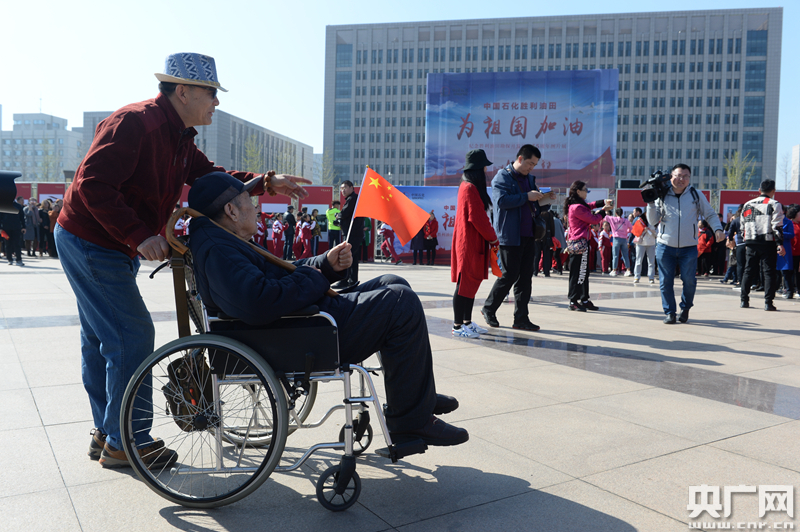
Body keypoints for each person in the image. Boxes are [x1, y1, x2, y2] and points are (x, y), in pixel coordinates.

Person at [54, 53, 311, 469]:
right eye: (212, 93)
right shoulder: (135, 123)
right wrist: (139, 236)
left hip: (109, 242)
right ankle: (128, 442)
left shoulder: (180, 137)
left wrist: (264, 181)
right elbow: (92, 185)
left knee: (101, 338)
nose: (217, 102)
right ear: (183, 90)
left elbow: (214, 180)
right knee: (131, 335)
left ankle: (108, 430)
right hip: (90, 238)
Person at [186, 172, 468, 447]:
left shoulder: (225, 240)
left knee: (393, 281)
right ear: (231, 210)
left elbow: (281, 272)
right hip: (299, 334)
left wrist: (324, 264)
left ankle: (417, 399)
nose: (256, 207)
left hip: (299, 323)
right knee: (399, 303)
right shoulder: (220, 248)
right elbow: (260, 300)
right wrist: (317, 275)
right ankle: (410, 421)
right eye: (250, 200)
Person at [480, 144, 555, 331]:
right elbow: (501, 201)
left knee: (525, 278)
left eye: (535, 164)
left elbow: (533, 205)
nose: (532, 167)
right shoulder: (502, 177)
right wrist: (526, 196)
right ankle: (489, 308)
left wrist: (544, 200)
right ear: (520, 158)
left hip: (529, 234)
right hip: (510, 235)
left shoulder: (530, 179)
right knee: (509, 274)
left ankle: (521, 318)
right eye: (530, 163)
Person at [646, 164, 724, 324]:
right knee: (665, 281)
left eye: (685, 176)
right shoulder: (663, 194)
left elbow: (709, 213)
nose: (681, 179)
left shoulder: (696, 195)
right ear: (670, 176)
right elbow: (653, 221)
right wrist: (651, 203)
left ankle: (685, 308)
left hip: (688, 247)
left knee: (689, 280)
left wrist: (718, 229)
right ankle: (670, 312)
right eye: (678, 175)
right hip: (665, 246)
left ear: (689, 178)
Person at [450, 149, 498, 338]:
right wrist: (493, 238)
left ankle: (467, 322)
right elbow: (478, 218)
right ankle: (457, 325)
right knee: (463, 285)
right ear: (478, 169)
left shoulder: (467, 186)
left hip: (471, 242)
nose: (486, 170)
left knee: (470, 284)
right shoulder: (469, 188)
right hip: (468, 244)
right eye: (485, 167)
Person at [564, 181, 612, 311]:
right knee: (578, 273)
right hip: (579, 243)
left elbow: (589, 206)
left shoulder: (578, 205)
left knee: (583, 273)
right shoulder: (576, 207)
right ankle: (573, 300)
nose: (587, 192)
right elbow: (594, 219)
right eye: (585, 190)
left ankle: (584, 298)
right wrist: (603, 211)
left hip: (581, 243)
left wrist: (603, 202)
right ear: (578, 192)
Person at [739, 180, 786, 311]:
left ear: (759, 190)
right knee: (769, 272)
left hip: (751, 241)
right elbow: (777, 226)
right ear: (773, 191)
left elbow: (742, 225)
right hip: (768, 241)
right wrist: (779, 244)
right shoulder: (774, 204)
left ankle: (744, 300)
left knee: (748, 271)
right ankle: (768, 303)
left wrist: (745, 239)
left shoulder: (747, 204)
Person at [333, 180, 363, 288]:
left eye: (345, 187)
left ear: (351, 187)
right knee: (352, 258)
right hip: (353, 233)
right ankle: (352, 281)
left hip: (352, 234)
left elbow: (343, 214)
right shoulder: (353, 199)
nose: (343, 190)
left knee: (346, 256)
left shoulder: (352, 199)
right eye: (341, 188)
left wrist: (338, 215)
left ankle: (345, 280)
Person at [605, 207, 632, 276]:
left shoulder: (612, 219)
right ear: (622, 213)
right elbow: (631, 229)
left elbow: (605, 216)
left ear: (616, 213)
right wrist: (626, 232)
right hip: (624, 239)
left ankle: (614, 270)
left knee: (615, 255)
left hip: (616, 238)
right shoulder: (626, 221)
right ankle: (628, 270)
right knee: (625, 255)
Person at [633, 212, 657, 284]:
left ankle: (651, 277)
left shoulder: (654, 221)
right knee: (638, 260)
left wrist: (651, 231)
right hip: (641, 243)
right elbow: (635, 231)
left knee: (651, 262)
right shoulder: (640, 220)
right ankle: (637, 276)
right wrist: (643, 230)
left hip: (651, 243)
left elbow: (658, 233)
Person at [0, 196, 25, 265]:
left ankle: (19, 260)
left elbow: (22, 217)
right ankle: (9, 259)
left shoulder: (18, 206)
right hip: (6, 229)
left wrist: (24, 227)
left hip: (16, 228)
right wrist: (0, 228)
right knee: (8, 244)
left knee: (17, 244)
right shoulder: (4, 205)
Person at [776, 212, 795, 299]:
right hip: (775, 248)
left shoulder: (788, 222)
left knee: (786, 272)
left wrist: (781, 233)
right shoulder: (774, 221)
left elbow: (791, 234)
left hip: (785, 248)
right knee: (774, 271)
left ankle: (790, 291)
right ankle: (776, 288)